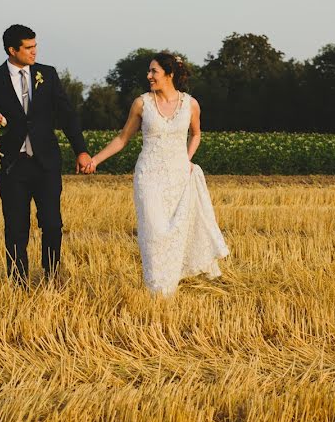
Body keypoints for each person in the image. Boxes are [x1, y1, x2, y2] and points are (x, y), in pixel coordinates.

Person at [86, 52, 229, 296]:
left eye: (154, 71)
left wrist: (186, 159)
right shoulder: (142, 103)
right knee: (153, 234)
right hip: (148, 176)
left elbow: (196, 134)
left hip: (179, 178)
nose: (149, 75)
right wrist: (95, 160)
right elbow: (122, 139)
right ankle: (156, 292)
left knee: (174, 235)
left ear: (169, 74)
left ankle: (168, 291)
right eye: (149, 71)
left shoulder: (190, 104)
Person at [0, 24, 91, 287]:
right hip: (12, 166)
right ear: (12, 50)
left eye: (35, 45)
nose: (34, 51)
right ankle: (18, 283)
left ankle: (51, 276)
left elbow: (67, 115)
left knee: (52, 224)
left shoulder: (47, 75)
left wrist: (81, 150)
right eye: (28, 47)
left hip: (46, 164)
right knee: (16, 229)